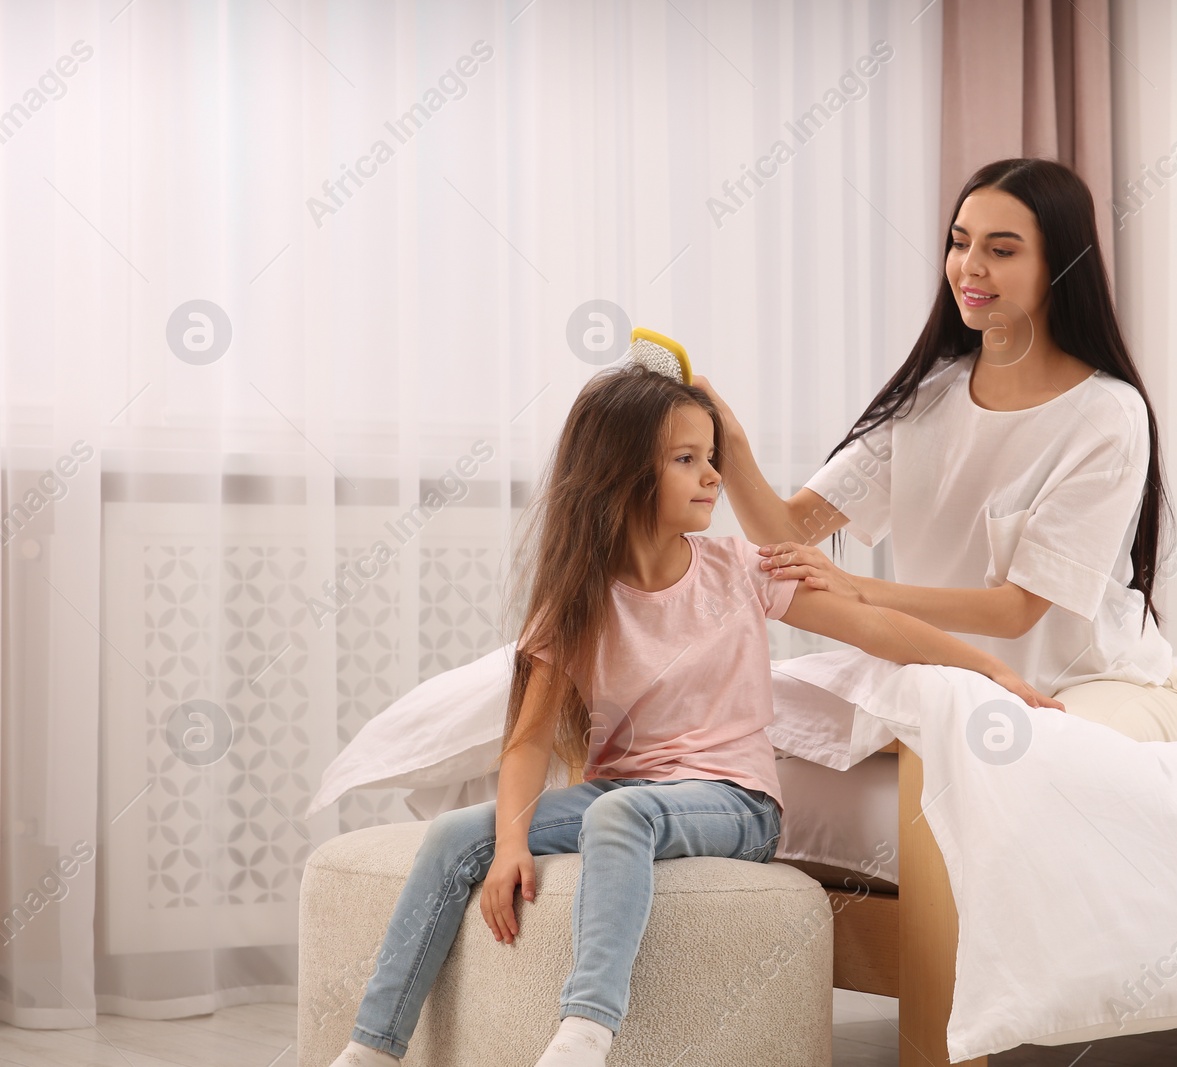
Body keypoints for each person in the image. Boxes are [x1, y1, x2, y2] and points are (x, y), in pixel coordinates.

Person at [327, 363, 1061, 1067]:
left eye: (711, 455)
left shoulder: (739, 570)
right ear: (622, 475)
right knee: (463, 830)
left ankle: (583, 1033)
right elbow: (525, 741)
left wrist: (992, 668)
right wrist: (511, 840)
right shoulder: (577, 599)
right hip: (627, 792)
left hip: (735, 800)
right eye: (687, 458)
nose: (713, 475)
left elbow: (874, 627)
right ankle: (372, 1044)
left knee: (621, 817)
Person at [697, 157, 1177, 742]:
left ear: (1059, 266)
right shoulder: (928, 401)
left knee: (1037, 758)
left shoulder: (1107, 416)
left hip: (1091, 684)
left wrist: (858, 587)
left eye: (1003, 250)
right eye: (960, 244)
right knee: (743, 717)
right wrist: (728, 443)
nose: (970, 267)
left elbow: (1016, 611)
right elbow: (789, 531)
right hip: (948, 675)